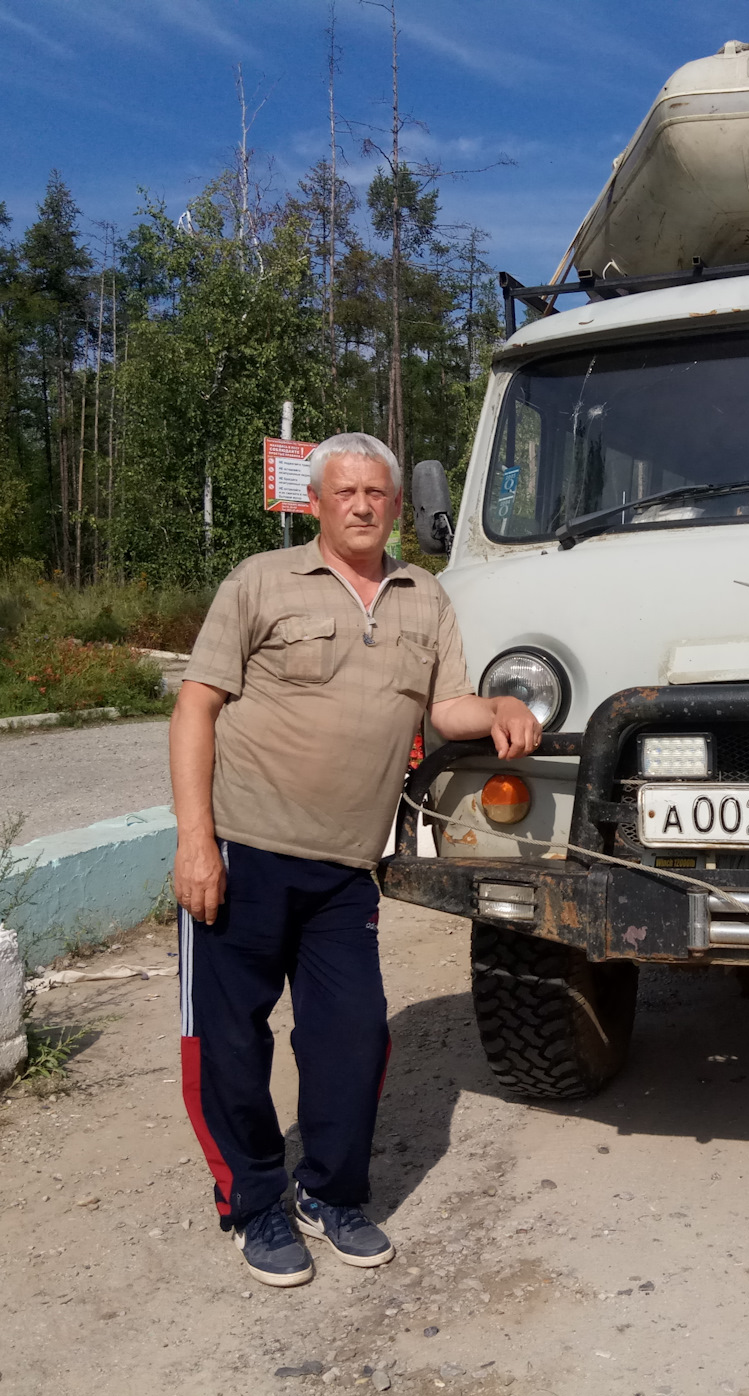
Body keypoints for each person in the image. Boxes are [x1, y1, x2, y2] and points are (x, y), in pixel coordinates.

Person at [170, 432, 542, 1289]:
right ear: (316, 502)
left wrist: (496, 705)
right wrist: (196, 840)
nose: (365, 505)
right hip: (242, 848)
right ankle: (254, 1205)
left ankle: (329, 1195)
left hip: (346, 865)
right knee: (226, 1041)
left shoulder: (425, 595)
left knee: (352, 1036)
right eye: (346, 492)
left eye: (378, 492)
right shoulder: (260, 582)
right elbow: (195, 709)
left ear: (396, 506)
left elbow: (445, 706)